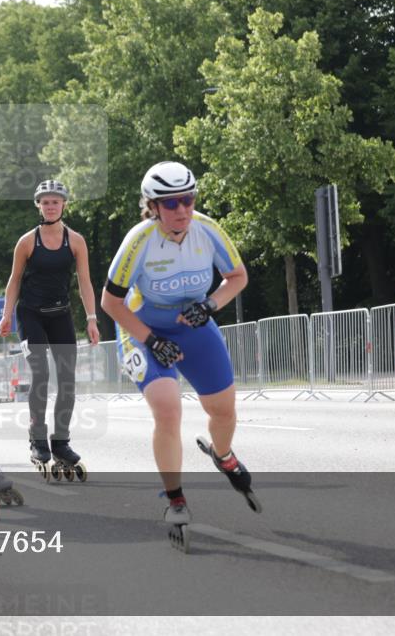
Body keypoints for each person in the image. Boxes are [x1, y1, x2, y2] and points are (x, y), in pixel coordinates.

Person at [100, 161, 260, 548]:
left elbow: (237, 277)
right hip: (143, 329)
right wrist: (152, 340)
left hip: (193, 325)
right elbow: (110, 302)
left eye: (187, 199)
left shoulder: (207, 229)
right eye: (171, 203)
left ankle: (223, 455)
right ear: (153, 207)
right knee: (168, 409)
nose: (182, 210)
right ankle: (175, 499)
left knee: (223, 412)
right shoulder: (139, 241)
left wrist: (209, 305)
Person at [0, 179, 100, 480]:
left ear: (64, 204)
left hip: (60, 315)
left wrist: (92, 318)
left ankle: (61, 442)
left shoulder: (76, 241)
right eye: (45, 202)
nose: (51, 206)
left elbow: (84, 282)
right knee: (41, 373)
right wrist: (6, 316)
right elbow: (14, 280)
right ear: (39, 206)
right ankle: (38, 439)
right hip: (31, 316)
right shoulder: (28, 242)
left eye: (55, 201)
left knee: (67, 380)